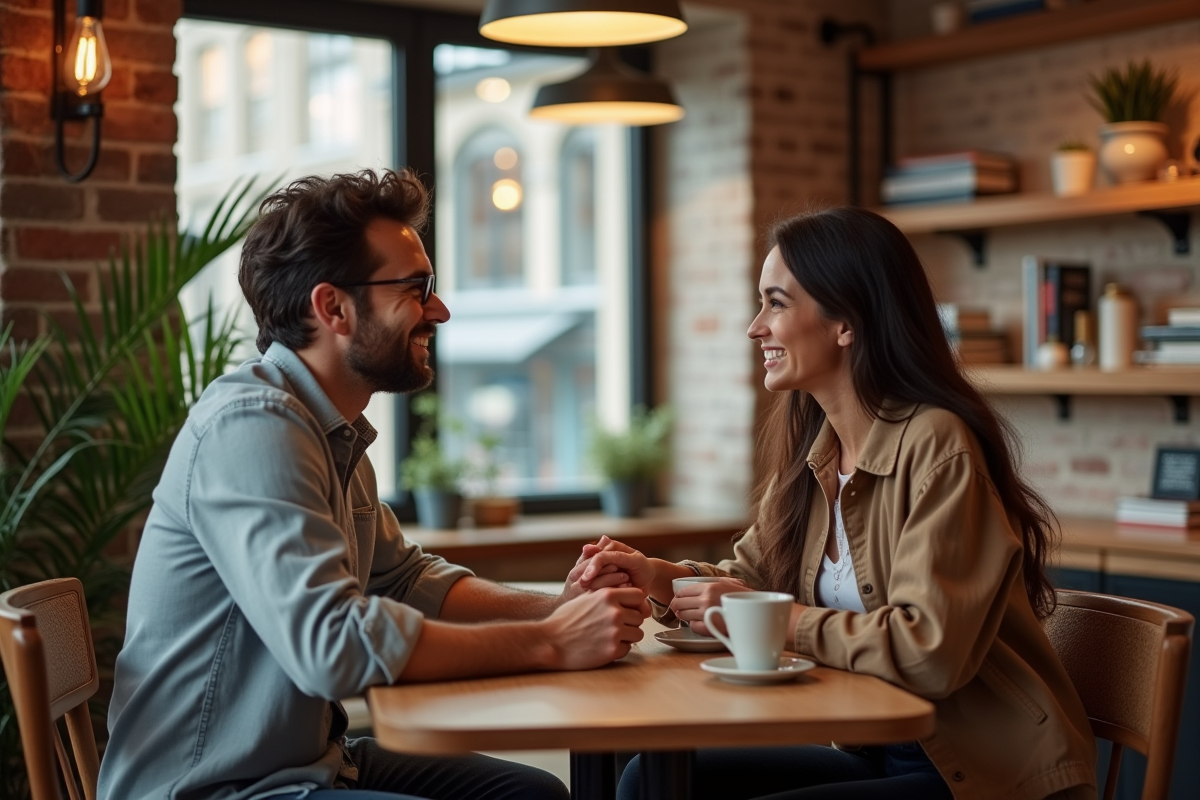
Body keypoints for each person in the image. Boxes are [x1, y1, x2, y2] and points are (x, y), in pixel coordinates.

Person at [97, 169, 649, 800]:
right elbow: (331, 646)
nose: (439, 310)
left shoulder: (332, 429)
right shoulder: (253, 427)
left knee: (533, 796)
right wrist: (550, 642)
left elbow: (405, 580)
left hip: (308, 762)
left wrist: (557, 608)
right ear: (332, 307)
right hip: (217, 787)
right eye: (416, 288)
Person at [577, 207, 1098, 800]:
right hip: (879, 750)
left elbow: (927, 653)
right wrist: (655, 576)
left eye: (776, 303)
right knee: (650, 779)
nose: (755, 328)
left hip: (986, 772)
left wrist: (779, 621)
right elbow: (751, 581)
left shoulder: (936, 445)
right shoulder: (818, 452)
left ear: (845, 323)